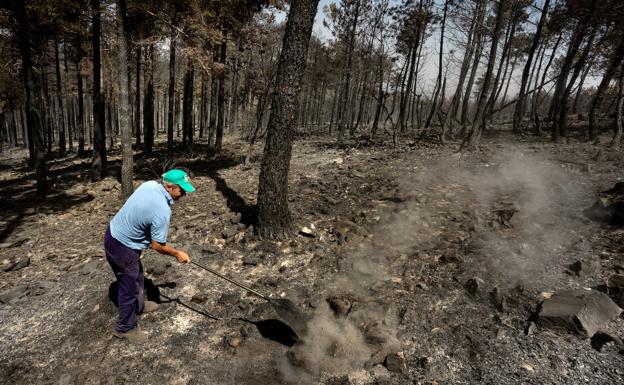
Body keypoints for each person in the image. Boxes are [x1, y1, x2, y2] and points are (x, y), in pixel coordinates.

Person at [104, 169, 196, 343]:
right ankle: (124, 328)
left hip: (114, 233)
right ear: (169, 186)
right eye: (181, 190)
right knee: (128, 287)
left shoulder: (150, 185)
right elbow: (157, 245)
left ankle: (139, 305)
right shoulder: (162, 210)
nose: (184, 194)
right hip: (122, 246)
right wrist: (177, 254)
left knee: (137, 274)